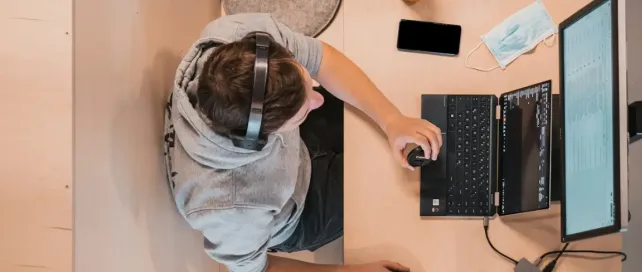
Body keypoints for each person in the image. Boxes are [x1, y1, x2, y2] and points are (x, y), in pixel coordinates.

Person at [163, 13, 442, 272]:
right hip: (299, 210)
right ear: (262, 139)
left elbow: (321, 60)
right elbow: (258, 269)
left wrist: (392, 120)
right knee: (402, 195)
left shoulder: (237, 36)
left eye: (306, 82)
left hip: (296, 150)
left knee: (403, 152)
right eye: (303, 110)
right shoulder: (229, 206)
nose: (319, 100)